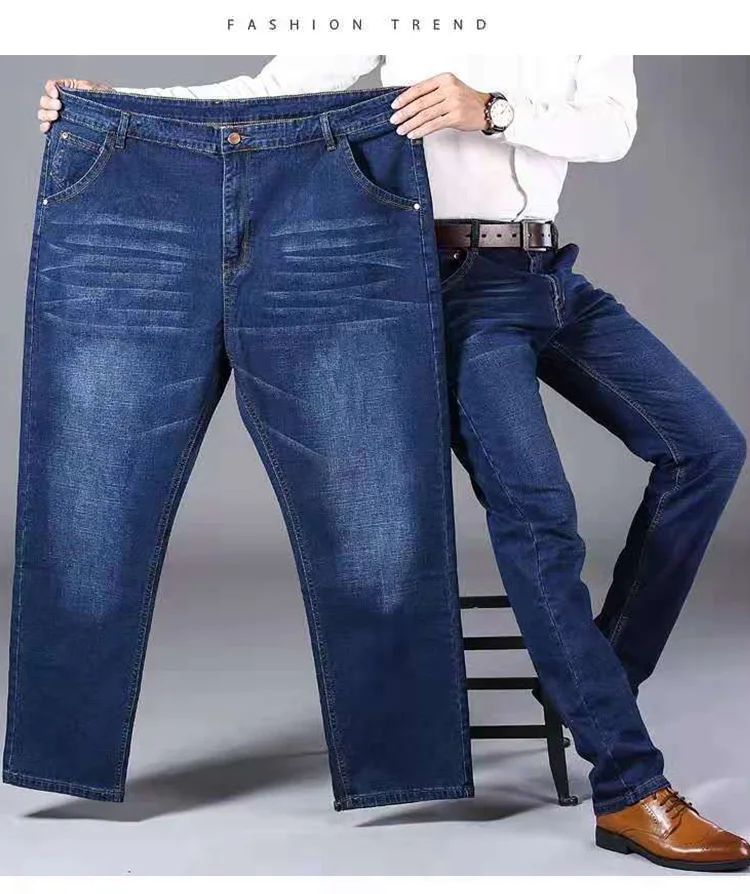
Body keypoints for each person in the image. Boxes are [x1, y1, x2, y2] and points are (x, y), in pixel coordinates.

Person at [37, 56, 749, 872]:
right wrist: (123, 103)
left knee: (706, 449)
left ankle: (595, 681)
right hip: (437, 282)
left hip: (545, 271)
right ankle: (628, 786)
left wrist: (492, 110)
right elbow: (271, 91)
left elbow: (613, 127)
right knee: (539, 517)